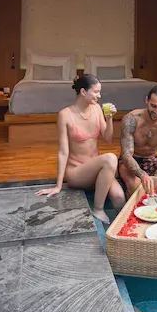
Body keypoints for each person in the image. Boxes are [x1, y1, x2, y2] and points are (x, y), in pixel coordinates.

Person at [36, 74, 125, 223]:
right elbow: (63, 152)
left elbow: (108, 139)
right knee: (110, 158)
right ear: (83, 92)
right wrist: (58, 185)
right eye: (96, 92)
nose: (99, 95)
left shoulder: (97, 109)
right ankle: (98, 209)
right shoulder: (65, 115)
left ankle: (121, 231)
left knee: (119, 197)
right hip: (77, 172)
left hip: (96, 170)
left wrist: (109, 118)